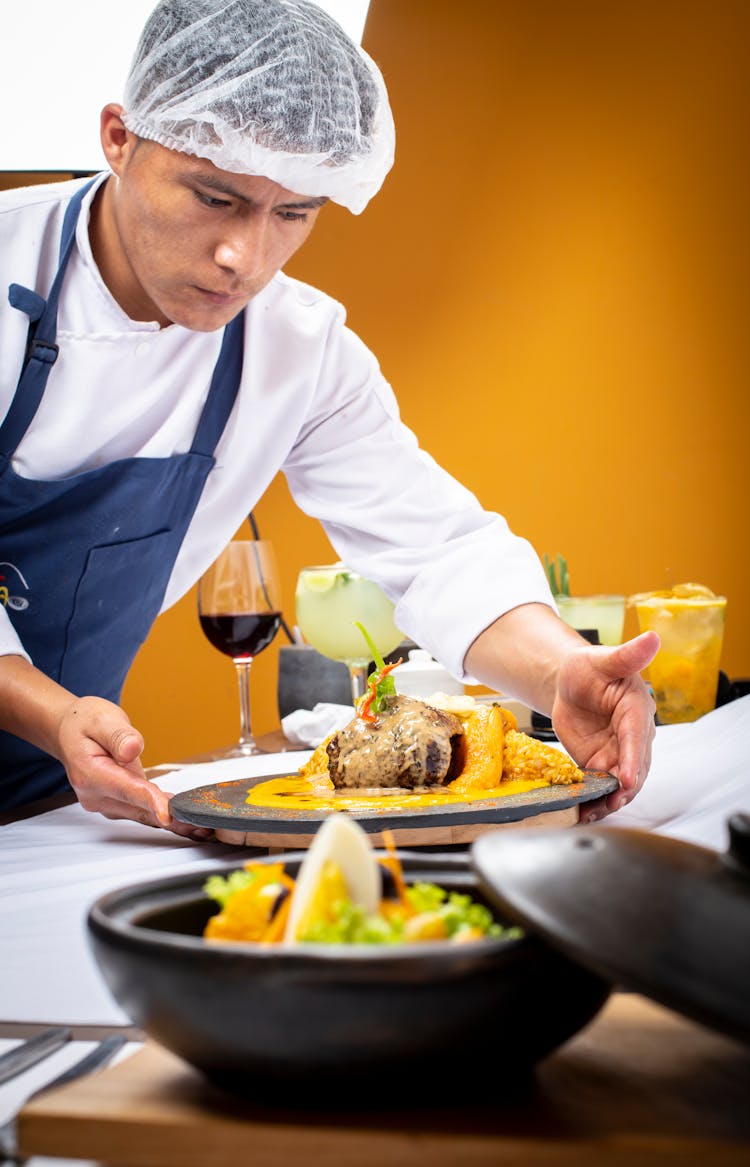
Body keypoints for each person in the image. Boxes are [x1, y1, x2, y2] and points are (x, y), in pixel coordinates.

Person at [0, 0, 658, 833]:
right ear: (118, 138)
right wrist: (51, 713)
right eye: (215, 197)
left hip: (42, 801)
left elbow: (436, 548)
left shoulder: (297, 347)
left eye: (293, 214)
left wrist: (562, 666)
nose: (247, 257)